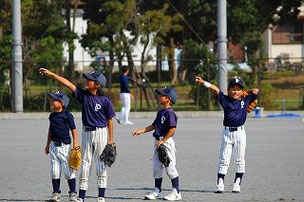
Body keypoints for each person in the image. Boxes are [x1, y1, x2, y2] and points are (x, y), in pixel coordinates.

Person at [39, 68, 116, 202]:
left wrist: (110, 141)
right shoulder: (84, 95)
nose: (86, 81)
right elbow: (68, 84)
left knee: (101, 164)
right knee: (85, 164)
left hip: (101, 132)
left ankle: (101, 196)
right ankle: (81, 196)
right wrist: (51, 74)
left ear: (97, 84)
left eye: (90, 80)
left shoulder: (105, 100)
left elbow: (110, 121)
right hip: (86, 132)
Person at [195, 76, 259, 193]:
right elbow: (216, 89)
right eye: (233, 89)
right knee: (224, 159)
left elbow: (256, 90)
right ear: (229, 90)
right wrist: (203, 82)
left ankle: (237, 183)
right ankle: (220, 183)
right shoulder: (225, 100)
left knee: (240, 159)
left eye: (239, 89)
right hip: (227, 133)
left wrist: (246, 92)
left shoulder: (246, 99)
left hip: (240, 133)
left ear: (242, 91)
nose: (236, 91)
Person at [132, 86, 182, 201]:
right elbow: (154, 126)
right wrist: (140, 131)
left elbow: (172, 129)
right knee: (156, 168)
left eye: (162, 95)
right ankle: (157, 191)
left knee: (170, 167)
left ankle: (176, 192)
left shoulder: (170, 113)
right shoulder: (160, 112)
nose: (159, 97)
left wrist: (163, 140)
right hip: (158, 142)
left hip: (166, 142)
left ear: (168, 99)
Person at [44, 91, 80, 202]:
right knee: (54, 171)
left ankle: (73, 193)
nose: (51, 101)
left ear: (61, 103)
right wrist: (47, 145)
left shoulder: (67, 115)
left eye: (54, 100)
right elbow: (50, 130)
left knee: (68, 172)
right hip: (54, 147)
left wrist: (76, 143)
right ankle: (56, 193)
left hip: (65, 147)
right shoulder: (52, 116)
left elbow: (73, 129)